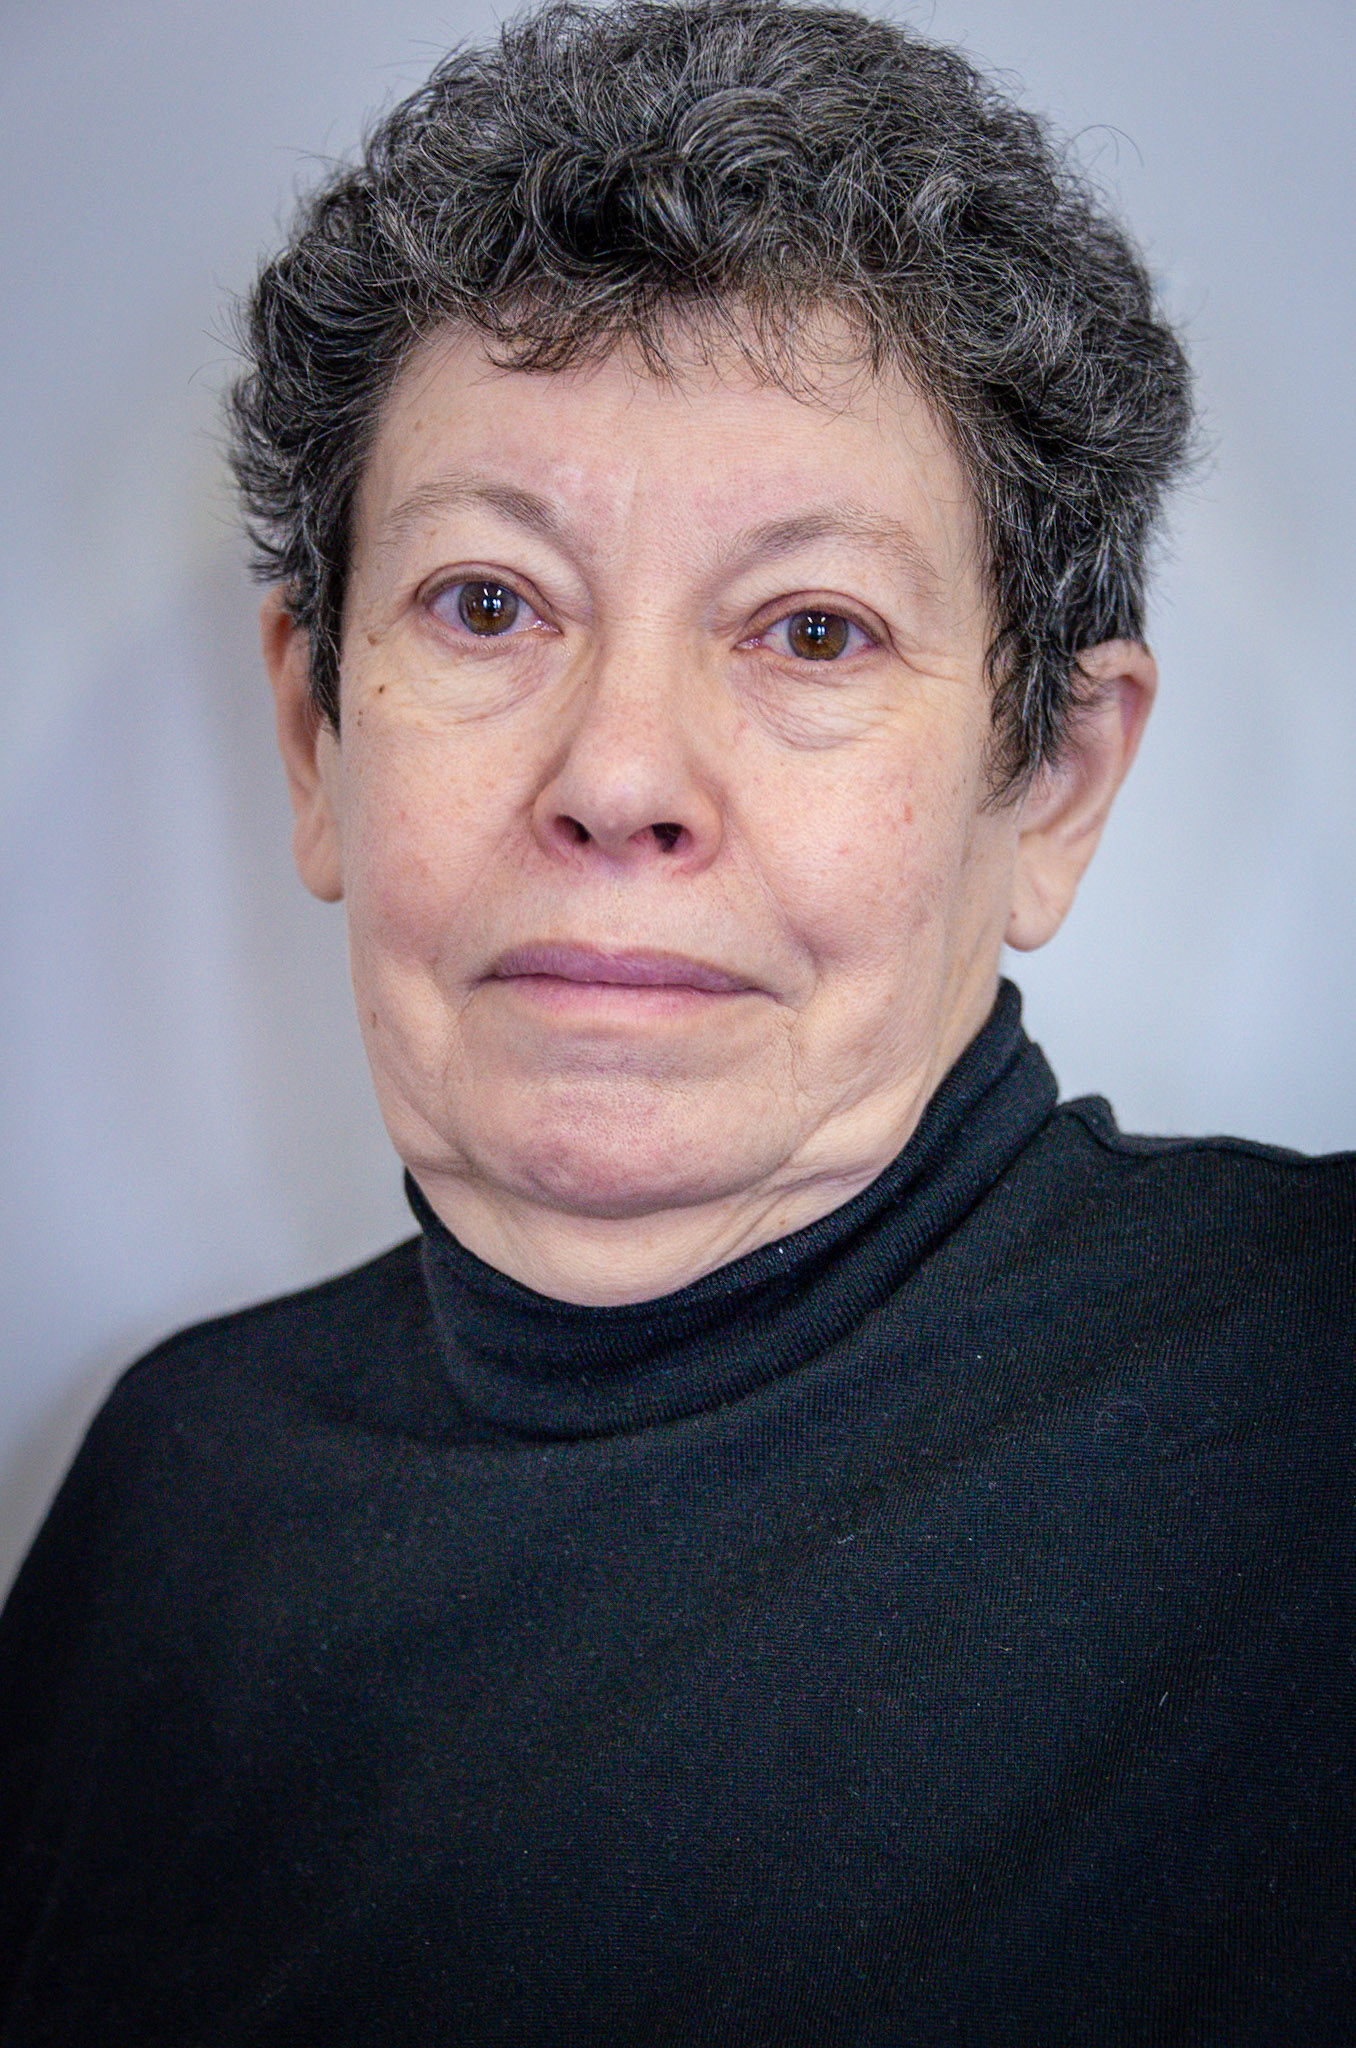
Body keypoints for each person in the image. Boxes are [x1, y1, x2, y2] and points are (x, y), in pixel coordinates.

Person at [1, 0, 1351, 2039]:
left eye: (814, 626)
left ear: (1049, 791)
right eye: (486, 601)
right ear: (314, 734)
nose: (619, 770)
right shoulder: (168, 1489)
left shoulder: (1312, 1407)